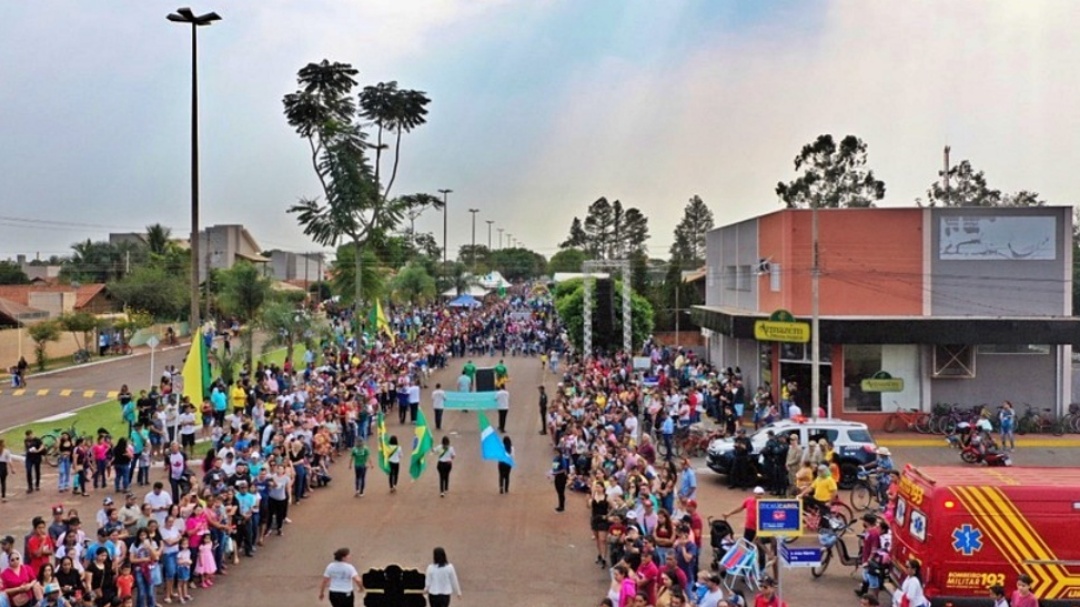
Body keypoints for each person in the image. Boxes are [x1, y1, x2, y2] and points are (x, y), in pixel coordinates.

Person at [23, 430, 43, 494]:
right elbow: (26, 447)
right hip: (29, 457)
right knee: (28, 470)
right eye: (27, 436)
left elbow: (42, 446)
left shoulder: (37, 440)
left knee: (37, 470)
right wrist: (27, 450)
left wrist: (37, 450)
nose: (29, 437)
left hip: (36, 457)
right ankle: (30, 486)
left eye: (30, 435)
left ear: (32, 434)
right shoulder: (26, 440)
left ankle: (37, 484)